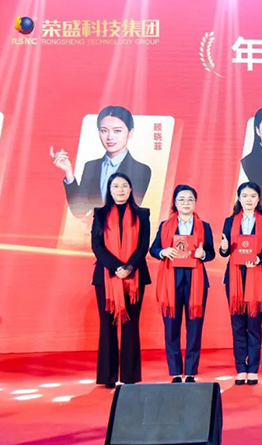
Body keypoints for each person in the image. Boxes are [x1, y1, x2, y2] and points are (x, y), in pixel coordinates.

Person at [150, 184, 216, 383]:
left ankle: (191, 371)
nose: (186, 203)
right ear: (175, 203)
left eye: (190, 199)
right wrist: (163, 252)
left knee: (194, 327)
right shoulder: (165, 225)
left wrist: (203, 254)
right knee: (171, 327)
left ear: (195, 203)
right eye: (181, 199)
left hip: (196, 281)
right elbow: (153, 249)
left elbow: (211, 253)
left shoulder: (204, 226)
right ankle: (176, 371)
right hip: (171, 281)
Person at [90, 172, 151, 388]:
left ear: (131, 189)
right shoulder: (100, 214)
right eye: (115, 186)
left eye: (124, 186)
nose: (120, 190)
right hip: (106, 276)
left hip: (135, 276)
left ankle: (129, 376)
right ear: (109, 190)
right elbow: (97, 246)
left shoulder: (142, 214)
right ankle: (108, 377)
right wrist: (117, 267)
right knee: (107, 326)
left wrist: (129, 267)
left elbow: (143, 245)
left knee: (130, 326)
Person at [219, 182, 262, 385]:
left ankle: (253, 368)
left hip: (257, 277)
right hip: (234, 277)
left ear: (258, 198)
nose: (249, 200)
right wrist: (224, 248)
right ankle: (240, 368)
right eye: (245, 196)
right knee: (237, 324)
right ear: (239, 198)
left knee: (254, 324)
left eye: (253, 196)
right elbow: (224, 252)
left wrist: (259, 258)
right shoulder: (229, 221)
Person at [51, 105, 152, 218]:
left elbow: (129, 210)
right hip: (94, 228)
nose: (110, 137)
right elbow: (79, 210)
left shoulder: (141, 170)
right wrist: (69, 172)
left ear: (130, 133)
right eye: (104, 131)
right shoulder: (91, 166)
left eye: (117, 131)